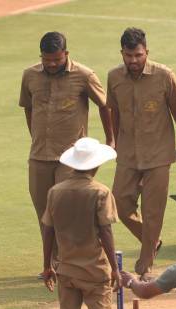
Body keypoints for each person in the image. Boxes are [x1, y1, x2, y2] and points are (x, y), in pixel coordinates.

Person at [39, 137, 121, 309]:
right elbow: (105, 233)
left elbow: (48, 232)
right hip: (95, 271)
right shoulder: (100, 192)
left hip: (67, 270)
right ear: (95, 166)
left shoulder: (56, 192)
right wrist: (116, 269)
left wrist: (47, 266)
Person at [19, 32, 113, 255]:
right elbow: (28, 107)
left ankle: (70, 259)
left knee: (67, 210)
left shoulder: (84, 75)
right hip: (39, 155)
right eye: (46, 59)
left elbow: (105, 105)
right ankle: (52, 262)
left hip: (71, 158)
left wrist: (111, 138)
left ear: (66, 54)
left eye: (56, 59)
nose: (51, 64)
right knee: (43, 213)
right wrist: (35, 136)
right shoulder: (30, 75)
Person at [107, 27, 176, 280]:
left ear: (146, 52)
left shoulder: (164, 75)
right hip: (128, 152)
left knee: (153, 211)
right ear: (122, 53)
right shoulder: (114, 77)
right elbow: (113, 111)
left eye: (138, 55)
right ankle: (151, 240)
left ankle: (145, 267)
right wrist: (114, 140)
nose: (133, 61)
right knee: (118, 204)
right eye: (128, 56)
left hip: (159, 154)